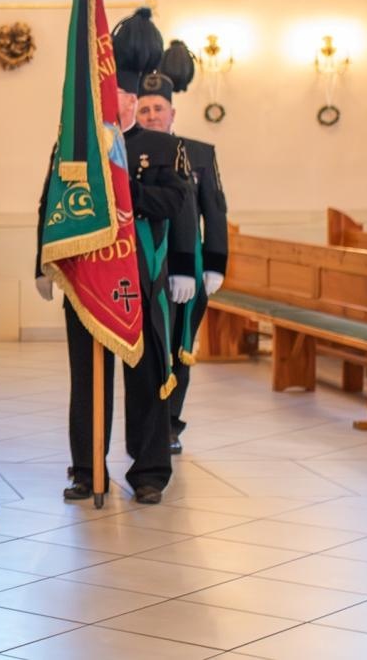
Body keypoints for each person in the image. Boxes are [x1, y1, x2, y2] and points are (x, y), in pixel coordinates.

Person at [39, 7, 194, 505]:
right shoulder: (78, 143)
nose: (123, 104)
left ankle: (149, 471)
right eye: (117, 96)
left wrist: (124, 194)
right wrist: (39, 261)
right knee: (87, 381)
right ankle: (87, 471)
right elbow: (52, 199)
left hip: (142, 279)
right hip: (86, 278)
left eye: (129, 97)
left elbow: (175, 202)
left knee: (147, 378)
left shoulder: (161, 147)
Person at [140, 40, 228, 453]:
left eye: (158, 108)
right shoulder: (129, 151)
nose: (152, 115)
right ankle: (148, 424)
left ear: (172, 113)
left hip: (187, 268)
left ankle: (171, 422)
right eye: (144, 109)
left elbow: (215, 209)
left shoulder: (199, 154)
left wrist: (214, 264)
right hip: (144, 268)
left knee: (180, 348)